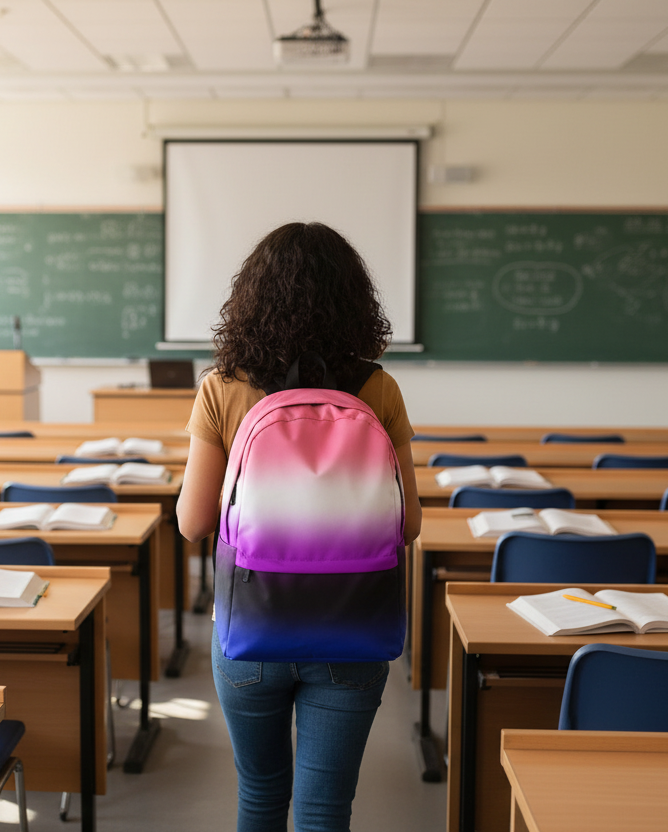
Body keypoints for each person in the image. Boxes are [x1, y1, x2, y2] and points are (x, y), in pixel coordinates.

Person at [176, 221, 422, 832]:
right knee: (323, 808)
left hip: (251, 625)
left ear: (250, 299)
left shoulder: (221, 388)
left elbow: (193, 522)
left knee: (260, 796)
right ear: (355, 303)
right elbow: (409, 524)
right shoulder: (378, 387)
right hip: (353, 625)